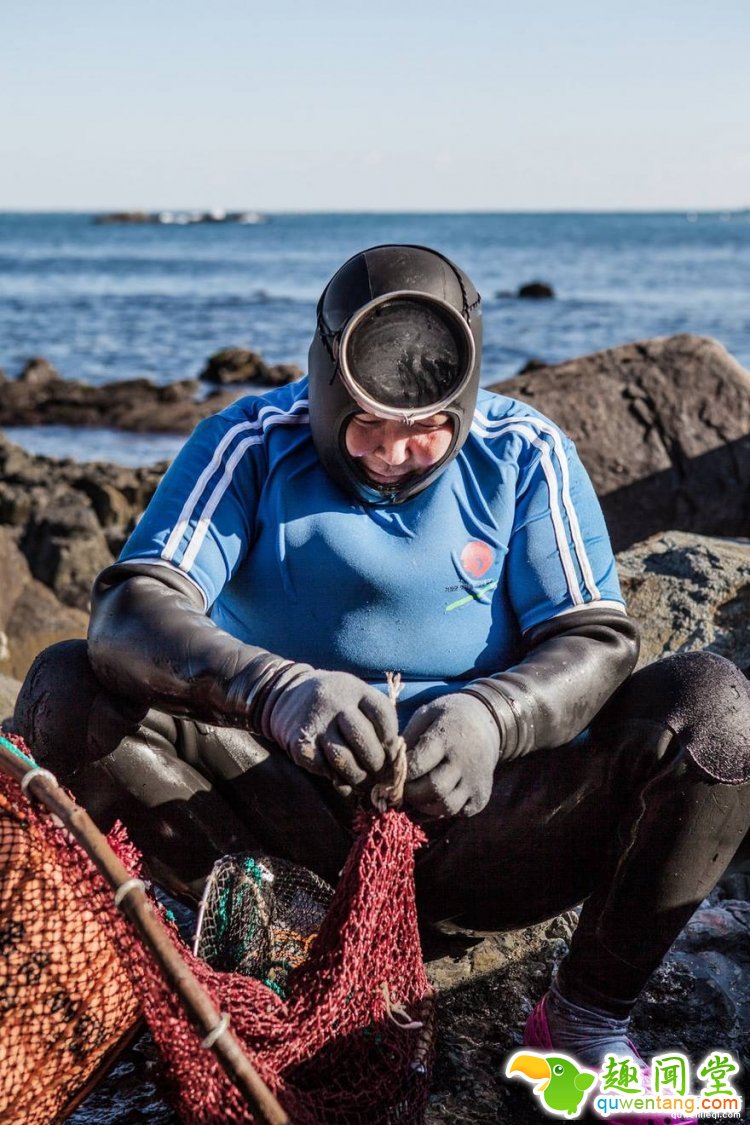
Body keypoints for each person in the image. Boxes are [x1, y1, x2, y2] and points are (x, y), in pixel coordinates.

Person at [15, 245, 750, 1122]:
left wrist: (493, 716)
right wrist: (275, 689)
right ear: (325, 383)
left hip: (478, 834)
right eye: (366, 424)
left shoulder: (524, 453)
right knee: (65, 686)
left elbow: (595, 637)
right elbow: (132, 608)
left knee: (715, 712)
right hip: (282, 828)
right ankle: (258, 945)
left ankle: (584, 1021)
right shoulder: (251, 442)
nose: (396, 454)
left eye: (428, 427)